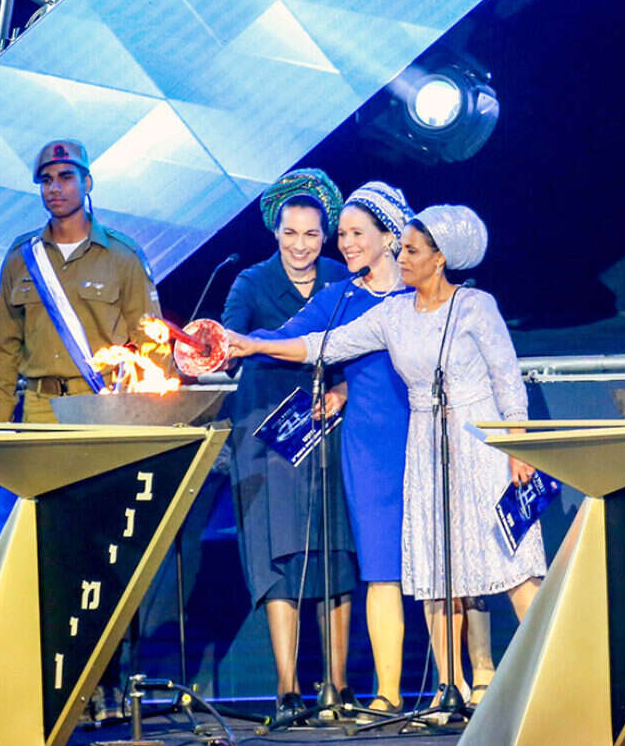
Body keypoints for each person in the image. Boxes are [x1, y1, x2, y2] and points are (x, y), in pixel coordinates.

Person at [224, 204, 545, 706]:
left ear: (438, 258)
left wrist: (517, 444)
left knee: (511, 566)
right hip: (426, 447)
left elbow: (507, 378)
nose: (403, 258)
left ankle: (555, 677)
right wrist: (247, 344)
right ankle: (449, 688)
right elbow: (319, 345)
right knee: (439, 573)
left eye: (411, 251)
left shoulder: (475, 306)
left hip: (481, 443)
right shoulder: (391, 313)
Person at [255, 181, 415, 714]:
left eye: (354, 233)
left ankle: (460, 683)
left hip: (423, 436)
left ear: (389, 237)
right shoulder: (341, 297)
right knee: (381, 569)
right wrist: (240, 343)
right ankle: (388, 695)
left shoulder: (422, 293)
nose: (344, 244)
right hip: (368, 447)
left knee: (443, 569)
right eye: (341, 234)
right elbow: (294, 339)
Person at [220, 168, 357, 721]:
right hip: (266, 433)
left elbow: (366, 348)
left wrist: (344, 388)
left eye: (311, 234)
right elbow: (230, 344)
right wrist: (223, 348)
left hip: (328, 428)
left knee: (335, 555)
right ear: (275, 233)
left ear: (325, 235)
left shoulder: (342, 279)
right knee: (277, 557)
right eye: (290, 234)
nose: (300, 246)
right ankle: (287, 690)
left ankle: (337, 687)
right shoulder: (250, 282)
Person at [0, 139, 160, 423]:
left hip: (103, 402)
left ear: (87, 183)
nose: (54, 188)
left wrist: (154, 417)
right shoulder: (22, 257)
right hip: (40, 406)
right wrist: (1, 419)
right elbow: (5, 347)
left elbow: (151, 340)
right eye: (46, 180)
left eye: (66, 177)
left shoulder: (122, 255)